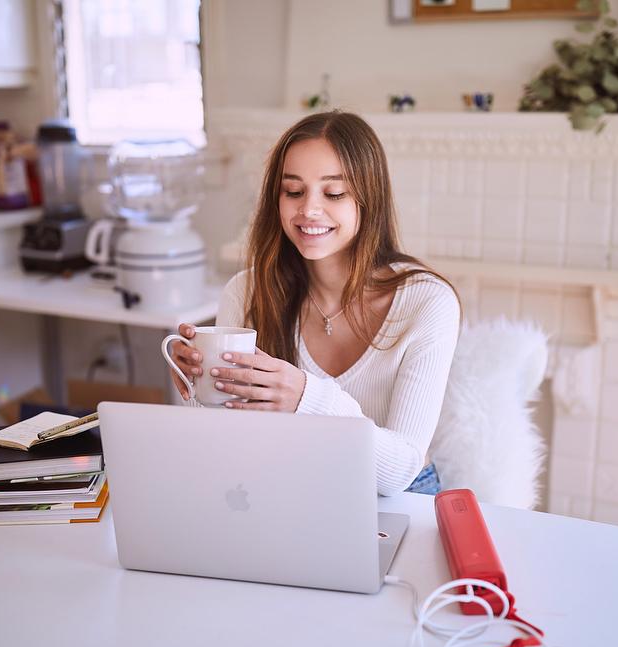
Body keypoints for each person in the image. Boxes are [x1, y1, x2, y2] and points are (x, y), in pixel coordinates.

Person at [168, 111, 460, 496]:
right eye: (294, 191)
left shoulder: (427, 302)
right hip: (291, 486)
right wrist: (199, 385)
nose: (308, 210)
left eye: (334, 193)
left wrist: (306, 397)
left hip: (400, 500)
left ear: (368, 200)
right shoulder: (247, 291)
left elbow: (397, 474)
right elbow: (229, 444)